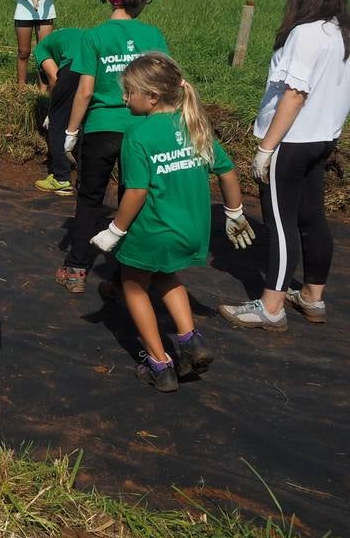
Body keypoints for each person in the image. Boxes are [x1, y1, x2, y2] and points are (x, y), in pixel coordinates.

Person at [89, 54, 254, 392]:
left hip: (151, 230)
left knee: (134, 286)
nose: (123, 98)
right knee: (166, 275)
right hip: (189, 229)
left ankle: (159, 365)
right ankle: (191, 341)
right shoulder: (193, 123)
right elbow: (226, 169)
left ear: (151, 96)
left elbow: (136, 191)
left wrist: (114, 230)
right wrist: (235, 213)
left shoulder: (137, 134)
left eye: (128, 91)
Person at [219, 0, 350, 332]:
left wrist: (266, 148)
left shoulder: (306, 34)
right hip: (322, 139)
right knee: (312, 218)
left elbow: (294, 95)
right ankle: (312, 296)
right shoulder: (341, 30)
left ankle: (272, 306)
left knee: (280, 222)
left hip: (291, 143)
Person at [57, 0, 169, 294]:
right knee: (131, 199)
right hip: (143, 130)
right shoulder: (153, 37)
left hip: (101, 128)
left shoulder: (93, 37)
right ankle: (125, 277)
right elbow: (166, 85)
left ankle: (77, 270)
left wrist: (71, 131)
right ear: (140, 0)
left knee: (90, 199)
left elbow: (86, 91)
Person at [33, 25, 84, 196]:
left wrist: (52, 110)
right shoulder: (71, 35)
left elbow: (55, 77)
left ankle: (61, 179)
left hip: (73, 66)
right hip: (97, 66)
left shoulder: (40, 48)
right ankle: (85, 179)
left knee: (58, 121)